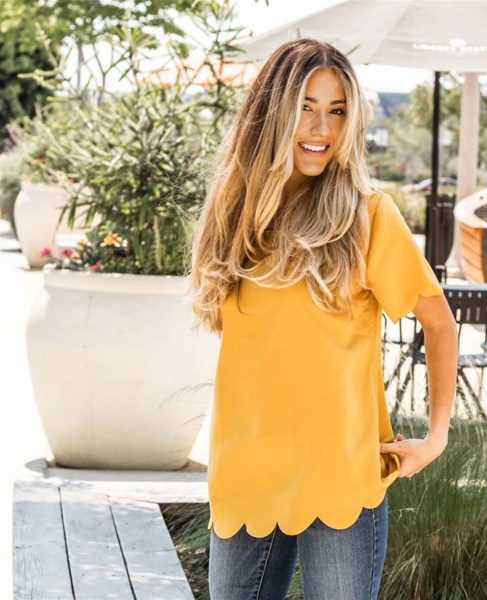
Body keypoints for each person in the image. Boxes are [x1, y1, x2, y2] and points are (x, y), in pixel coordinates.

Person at [188, 39, 458, 600]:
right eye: (306, 107)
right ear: (272, 112)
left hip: (341, 480)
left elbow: (439, 322)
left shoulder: (367, 215)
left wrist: (435, 438)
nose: (321, 128)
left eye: (337, 111)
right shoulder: (234, 217)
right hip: (246, 478)